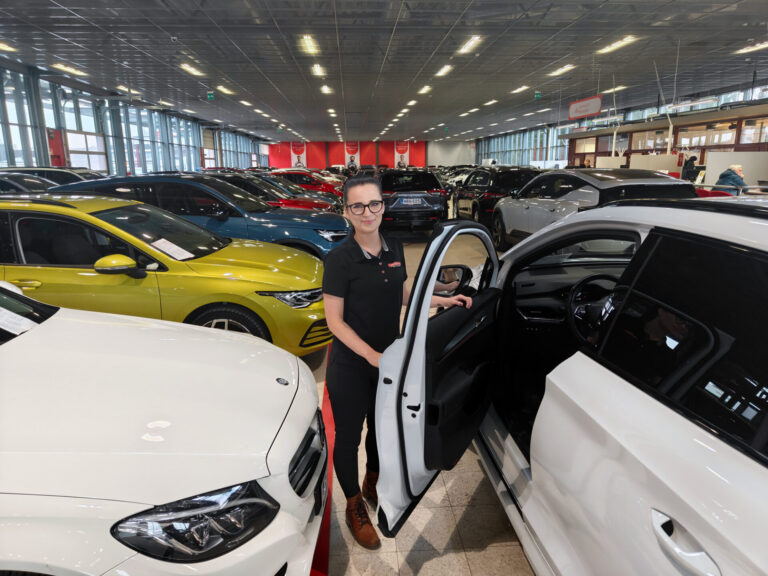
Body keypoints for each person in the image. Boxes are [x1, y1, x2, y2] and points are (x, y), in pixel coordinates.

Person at [322, 175, 472, 549]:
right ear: (347, 211)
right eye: (357, 206)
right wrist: (371, 355)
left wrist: (442, 300)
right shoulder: (339, 259)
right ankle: (353, 504)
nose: (367, 212)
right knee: (348, 438)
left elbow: (403, 293)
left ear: (383, 206)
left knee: (381, 428)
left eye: (373, 203)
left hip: (389, 365)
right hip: (351, 365)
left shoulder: (395, 247)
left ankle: (373, 481)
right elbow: (334, 322)